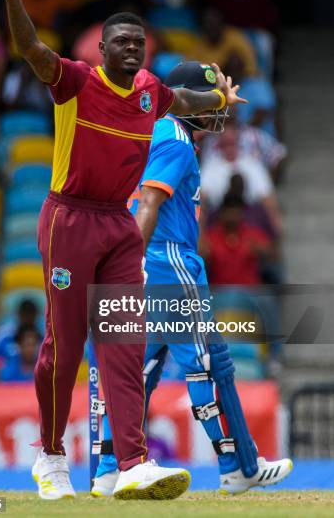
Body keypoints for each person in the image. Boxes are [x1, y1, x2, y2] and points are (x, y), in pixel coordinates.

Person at [0, 0, 245, 502]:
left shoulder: (150, 92)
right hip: (69, 221)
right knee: (66, 343)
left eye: (138, 44)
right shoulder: (75, 81)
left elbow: (182, 98)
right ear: (101, 48)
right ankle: (51, 457)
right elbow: (29, 47)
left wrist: (219, 100)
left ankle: (131, 463)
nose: (131, 50)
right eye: (121, 43)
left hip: (118, 229)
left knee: (123, 344)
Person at [92, 62, 292, 496]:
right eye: (208, 99)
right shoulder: (176, 141)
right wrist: (131, 264)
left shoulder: (156, 131)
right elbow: (149, 202)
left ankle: (109, 470)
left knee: (138, 370)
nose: (216, 109)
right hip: (168, 263)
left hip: (149, 263)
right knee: (207, 366)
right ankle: (238, 466)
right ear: (187, 102)